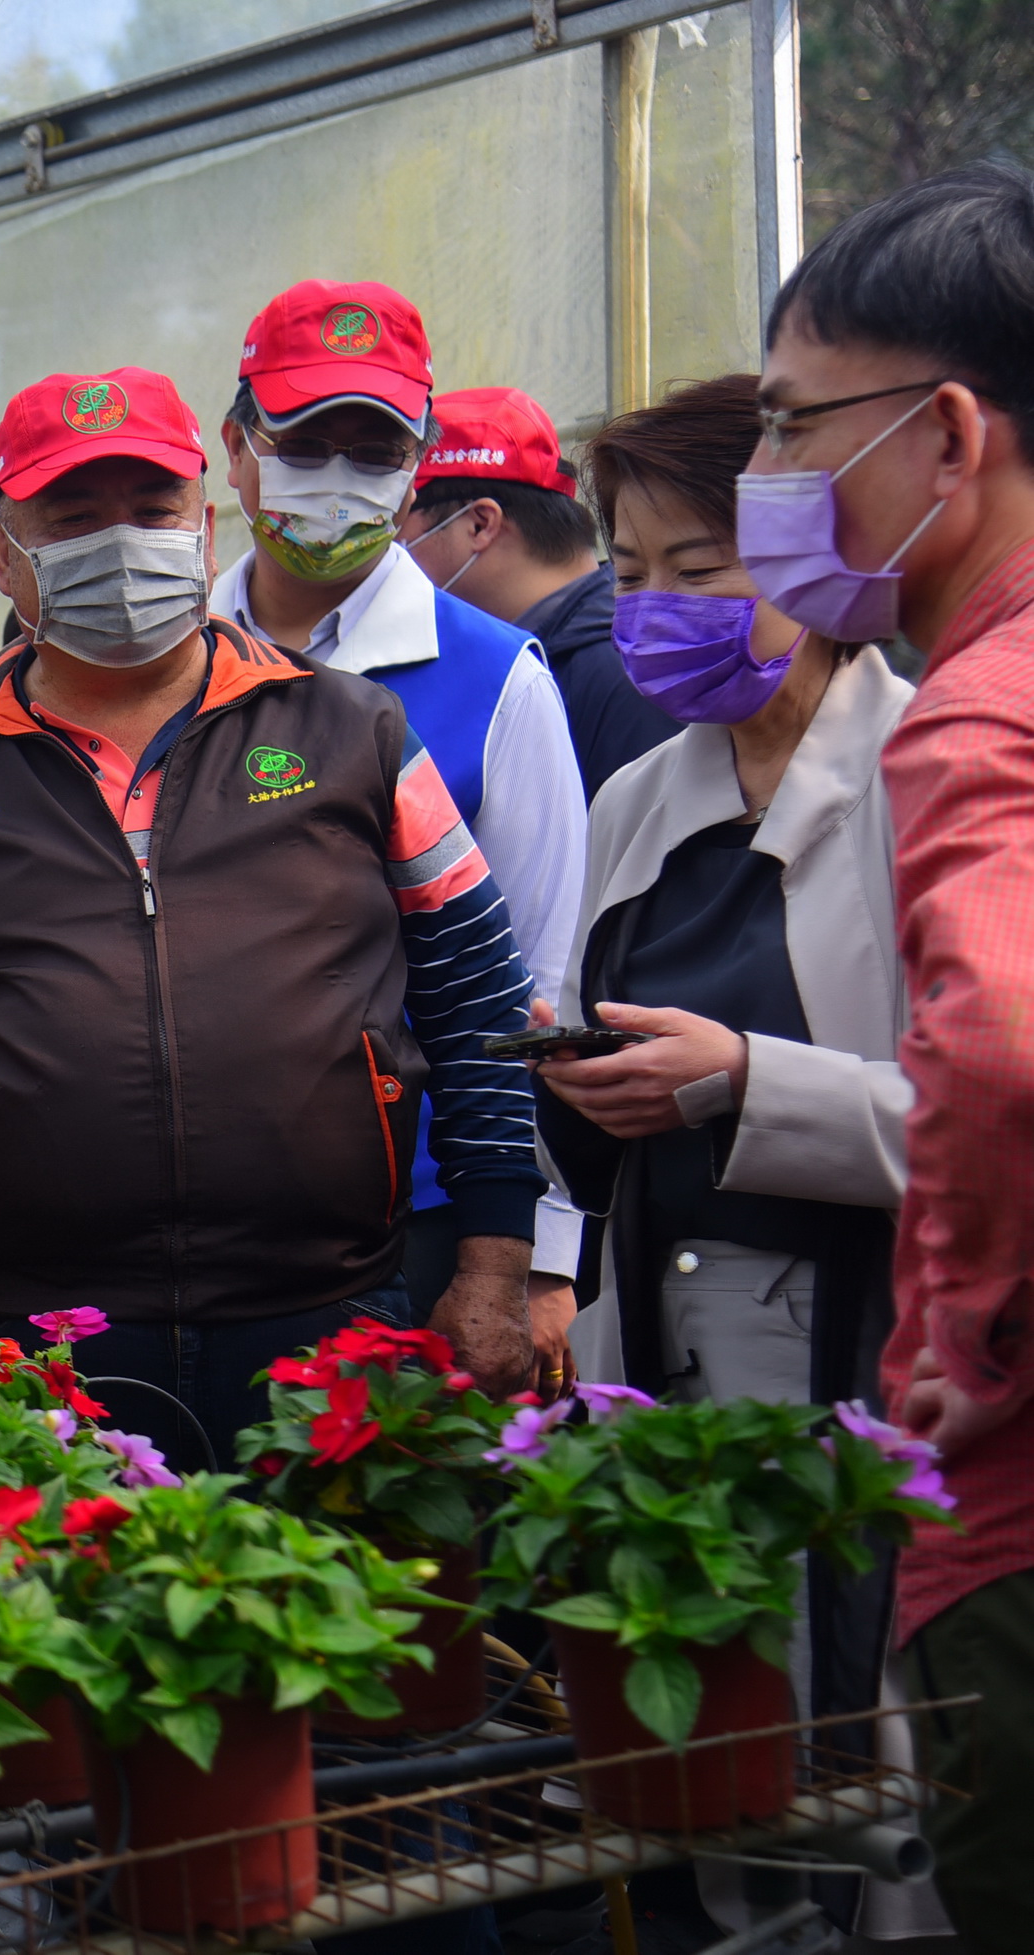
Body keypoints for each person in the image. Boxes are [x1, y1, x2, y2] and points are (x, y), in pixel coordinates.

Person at [0, 366, 546, 1462]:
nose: (120, 542)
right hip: (28, 1340)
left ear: (204, 525)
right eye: (73, 517)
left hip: (324, 1317)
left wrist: (496, 1262)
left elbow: (480, 1001)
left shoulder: (350, 734)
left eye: (151, 509)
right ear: (3, 556)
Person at [535, 383, 914, 1929]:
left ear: (817, 560)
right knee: (707, 1770)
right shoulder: (642, 796)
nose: (656, 607)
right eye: (628, 571)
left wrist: (748, 1080)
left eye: (700, 567)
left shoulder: (924, 768)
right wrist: (576, 1073)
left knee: (874, 1781)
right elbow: (594, 1094)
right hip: (667, 1357)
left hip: (864, 1358)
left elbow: (976, 1113)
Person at [740, 162, 1034, 1937]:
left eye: (792, 424)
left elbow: (991, 1055)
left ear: (946, 437)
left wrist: (977, 1337)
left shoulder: (973, 715)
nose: (765, 477)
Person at [210, 280, 589, 1370]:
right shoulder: (162, 660)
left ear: (417, 465)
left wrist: (536, 1258)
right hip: (192, 1205)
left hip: (431, 1215)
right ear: (235, 447)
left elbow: (542, 984)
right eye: (301, 444)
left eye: (372, 451)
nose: (335, 478)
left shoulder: (499, 681)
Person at [397, 384, 679, 800]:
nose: (387, 553)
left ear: (480, 524)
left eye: (396, 524)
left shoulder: (623, 669)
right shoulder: (518, 653)